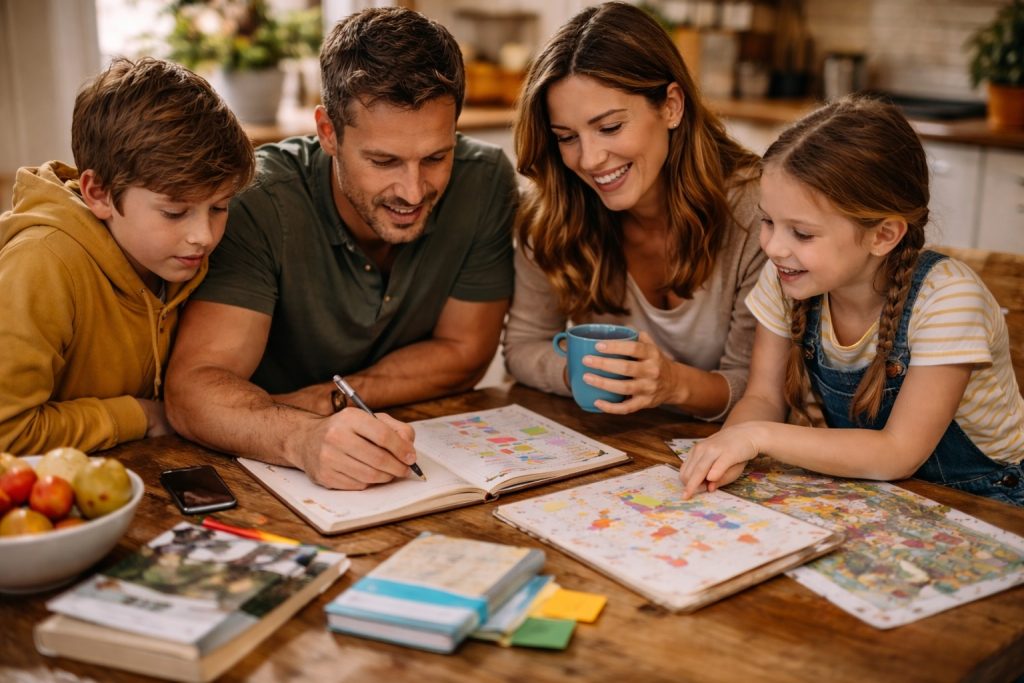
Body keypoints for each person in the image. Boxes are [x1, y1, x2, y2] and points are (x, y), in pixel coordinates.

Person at [165, 7, 517, 490]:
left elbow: (465, 353)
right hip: (272, 474)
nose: (413, 191)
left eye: (436, 157)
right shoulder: (257, 201)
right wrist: (302, 437)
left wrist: (328, 400)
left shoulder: (486, 179)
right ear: (328, 132)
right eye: (383, 161)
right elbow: (193, 391)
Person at [680, 96, 1024, 507]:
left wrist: (756, 437)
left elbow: (898, 452)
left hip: (992, 501)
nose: (773, 247)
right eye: (768, 221)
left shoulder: (949, 299)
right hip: (883, 491)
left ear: (883, 235)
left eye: (802, 233)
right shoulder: (787, 278)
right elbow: (763, 398)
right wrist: (727, 449)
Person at [504, 1, 765, 420]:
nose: (589, 159)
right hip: (623, 440)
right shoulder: (553, 210)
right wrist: (585, 375)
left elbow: (760, 390)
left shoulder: (756, 212)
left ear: (671, 106)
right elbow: (523, 345)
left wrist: (673, 384)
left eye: (610, 127)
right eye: (567, 137)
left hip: (723, 445)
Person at [0, 57, 254, 454]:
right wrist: (140, 417)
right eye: (174, 212)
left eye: (219, 207)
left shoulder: (169, 255)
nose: (203, 237)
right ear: (99, 193)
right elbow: (6, 432)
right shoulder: (40, 264)